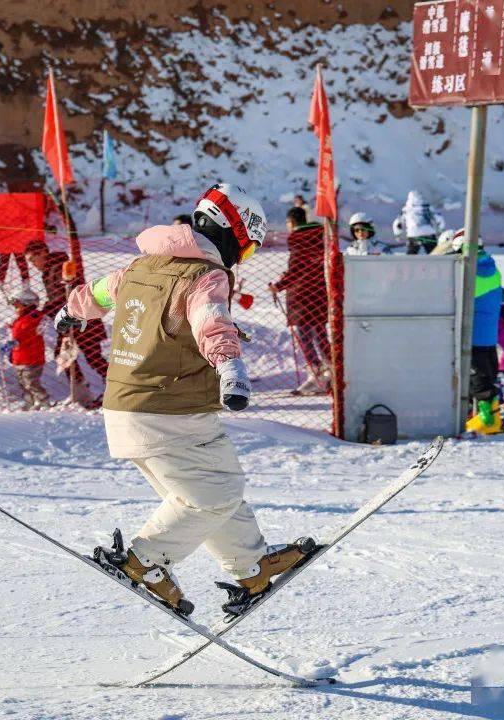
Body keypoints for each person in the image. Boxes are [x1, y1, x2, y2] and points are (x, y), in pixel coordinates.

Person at [56, 182, 314, 616]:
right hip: (171, 410)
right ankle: (143, 560)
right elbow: (211, 321)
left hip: (125, 409)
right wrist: (231, 369)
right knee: (213, 495)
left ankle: (252, 566)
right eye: (246, 250)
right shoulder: (205, 276)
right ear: (232, 233)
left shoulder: (142, 266)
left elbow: (100, 291)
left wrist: (71, 310)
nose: (241, 258)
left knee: (216, 488)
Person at [24, 239, 108, 406]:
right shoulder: (49, 270)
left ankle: (106, 387)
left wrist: (44, 310)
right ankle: (81, 389)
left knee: (91, 357)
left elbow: (65, 296)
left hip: (83, 320)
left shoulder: (59, 266)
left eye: (33, 259)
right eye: (29, 261)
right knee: (74, 355)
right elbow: (57, 298)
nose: (33, 264)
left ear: (43, 252)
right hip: (72, 321)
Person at [448, 230, 504, 434]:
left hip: (474, 334)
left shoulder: (473, 274)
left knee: (479, 379)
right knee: (488, 374)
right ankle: (492, 416)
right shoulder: (489, 266)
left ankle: (487, 420)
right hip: (488, 334)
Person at [270, 206, 331, 395]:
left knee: (305, 336)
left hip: (302, 296)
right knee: (320, 334)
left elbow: (297, 269)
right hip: (319, 292)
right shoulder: (319, 237)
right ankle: (332, 368)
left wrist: (278, 285)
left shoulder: (299, 240)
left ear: (292, 222)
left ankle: (316, 373)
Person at [1, 287, 50, 409]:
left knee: (31, 383)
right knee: (23, 383)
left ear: (27, 305)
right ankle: (30, 403)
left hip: (31, 359)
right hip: (20, 358)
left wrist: (15, 342)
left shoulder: (33, 318)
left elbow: (27, 334)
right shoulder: (22, 319)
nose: (15, 309)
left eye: (17, 306)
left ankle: (44, 401)